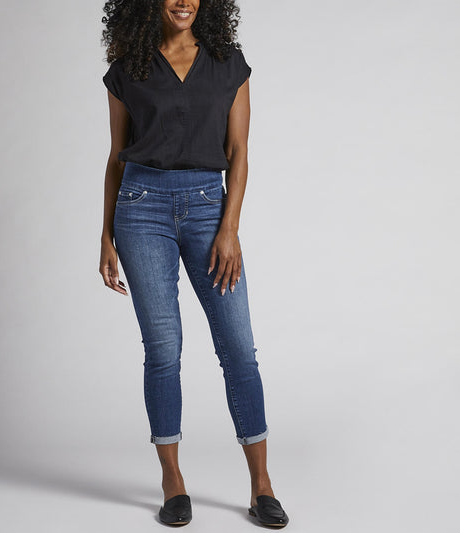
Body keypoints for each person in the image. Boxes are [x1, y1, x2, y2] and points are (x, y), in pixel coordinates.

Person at [99, 0, 289, 528]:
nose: (183, 0)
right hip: (140, 211)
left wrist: (229, 229)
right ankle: (173, 481)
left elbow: (239, 150)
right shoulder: (128, 66)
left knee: (238, 347)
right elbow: (117, 155)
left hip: (210, 207)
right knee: (163, 349)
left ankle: (262, 485)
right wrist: (105, 234)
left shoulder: (228, 62)